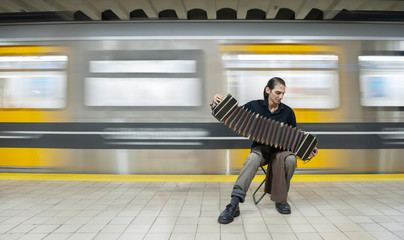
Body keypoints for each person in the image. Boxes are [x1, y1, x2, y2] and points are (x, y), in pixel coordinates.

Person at [212, 77, 318, 224]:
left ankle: (281, 200)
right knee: (252, 159)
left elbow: (296, 139)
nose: (280, 96)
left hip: (281, 152)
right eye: (278, 92)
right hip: (261, 149)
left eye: (283, 94)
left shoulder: (287, 112)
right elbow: (231, 115)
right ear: (268, 90)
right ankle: (234, 204)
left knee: (291, 159)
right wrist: (217, 102)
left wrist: (308, 150)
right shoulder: (254, 107)